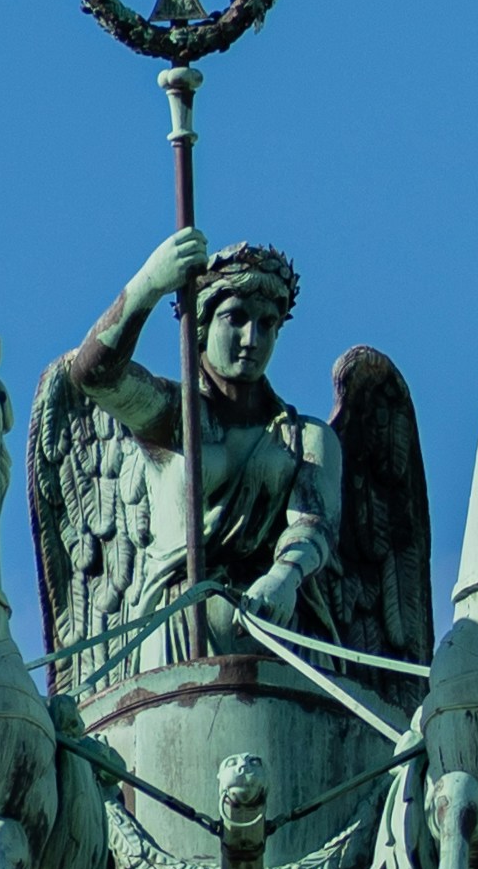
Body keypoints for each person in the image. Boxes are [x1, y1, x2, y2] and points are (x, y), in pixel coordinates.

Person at [63, 229, 341, 659]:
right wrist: (150, 283)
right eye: (237, 318)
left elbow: (312, 524)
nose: (253, 339)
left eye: (268, 324)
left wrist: (284, 576)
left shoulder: (305, 438)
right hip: (177, 634)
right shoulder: (171, 416)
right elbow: (92, 376)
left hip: (279, 635)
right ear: (203, 323)